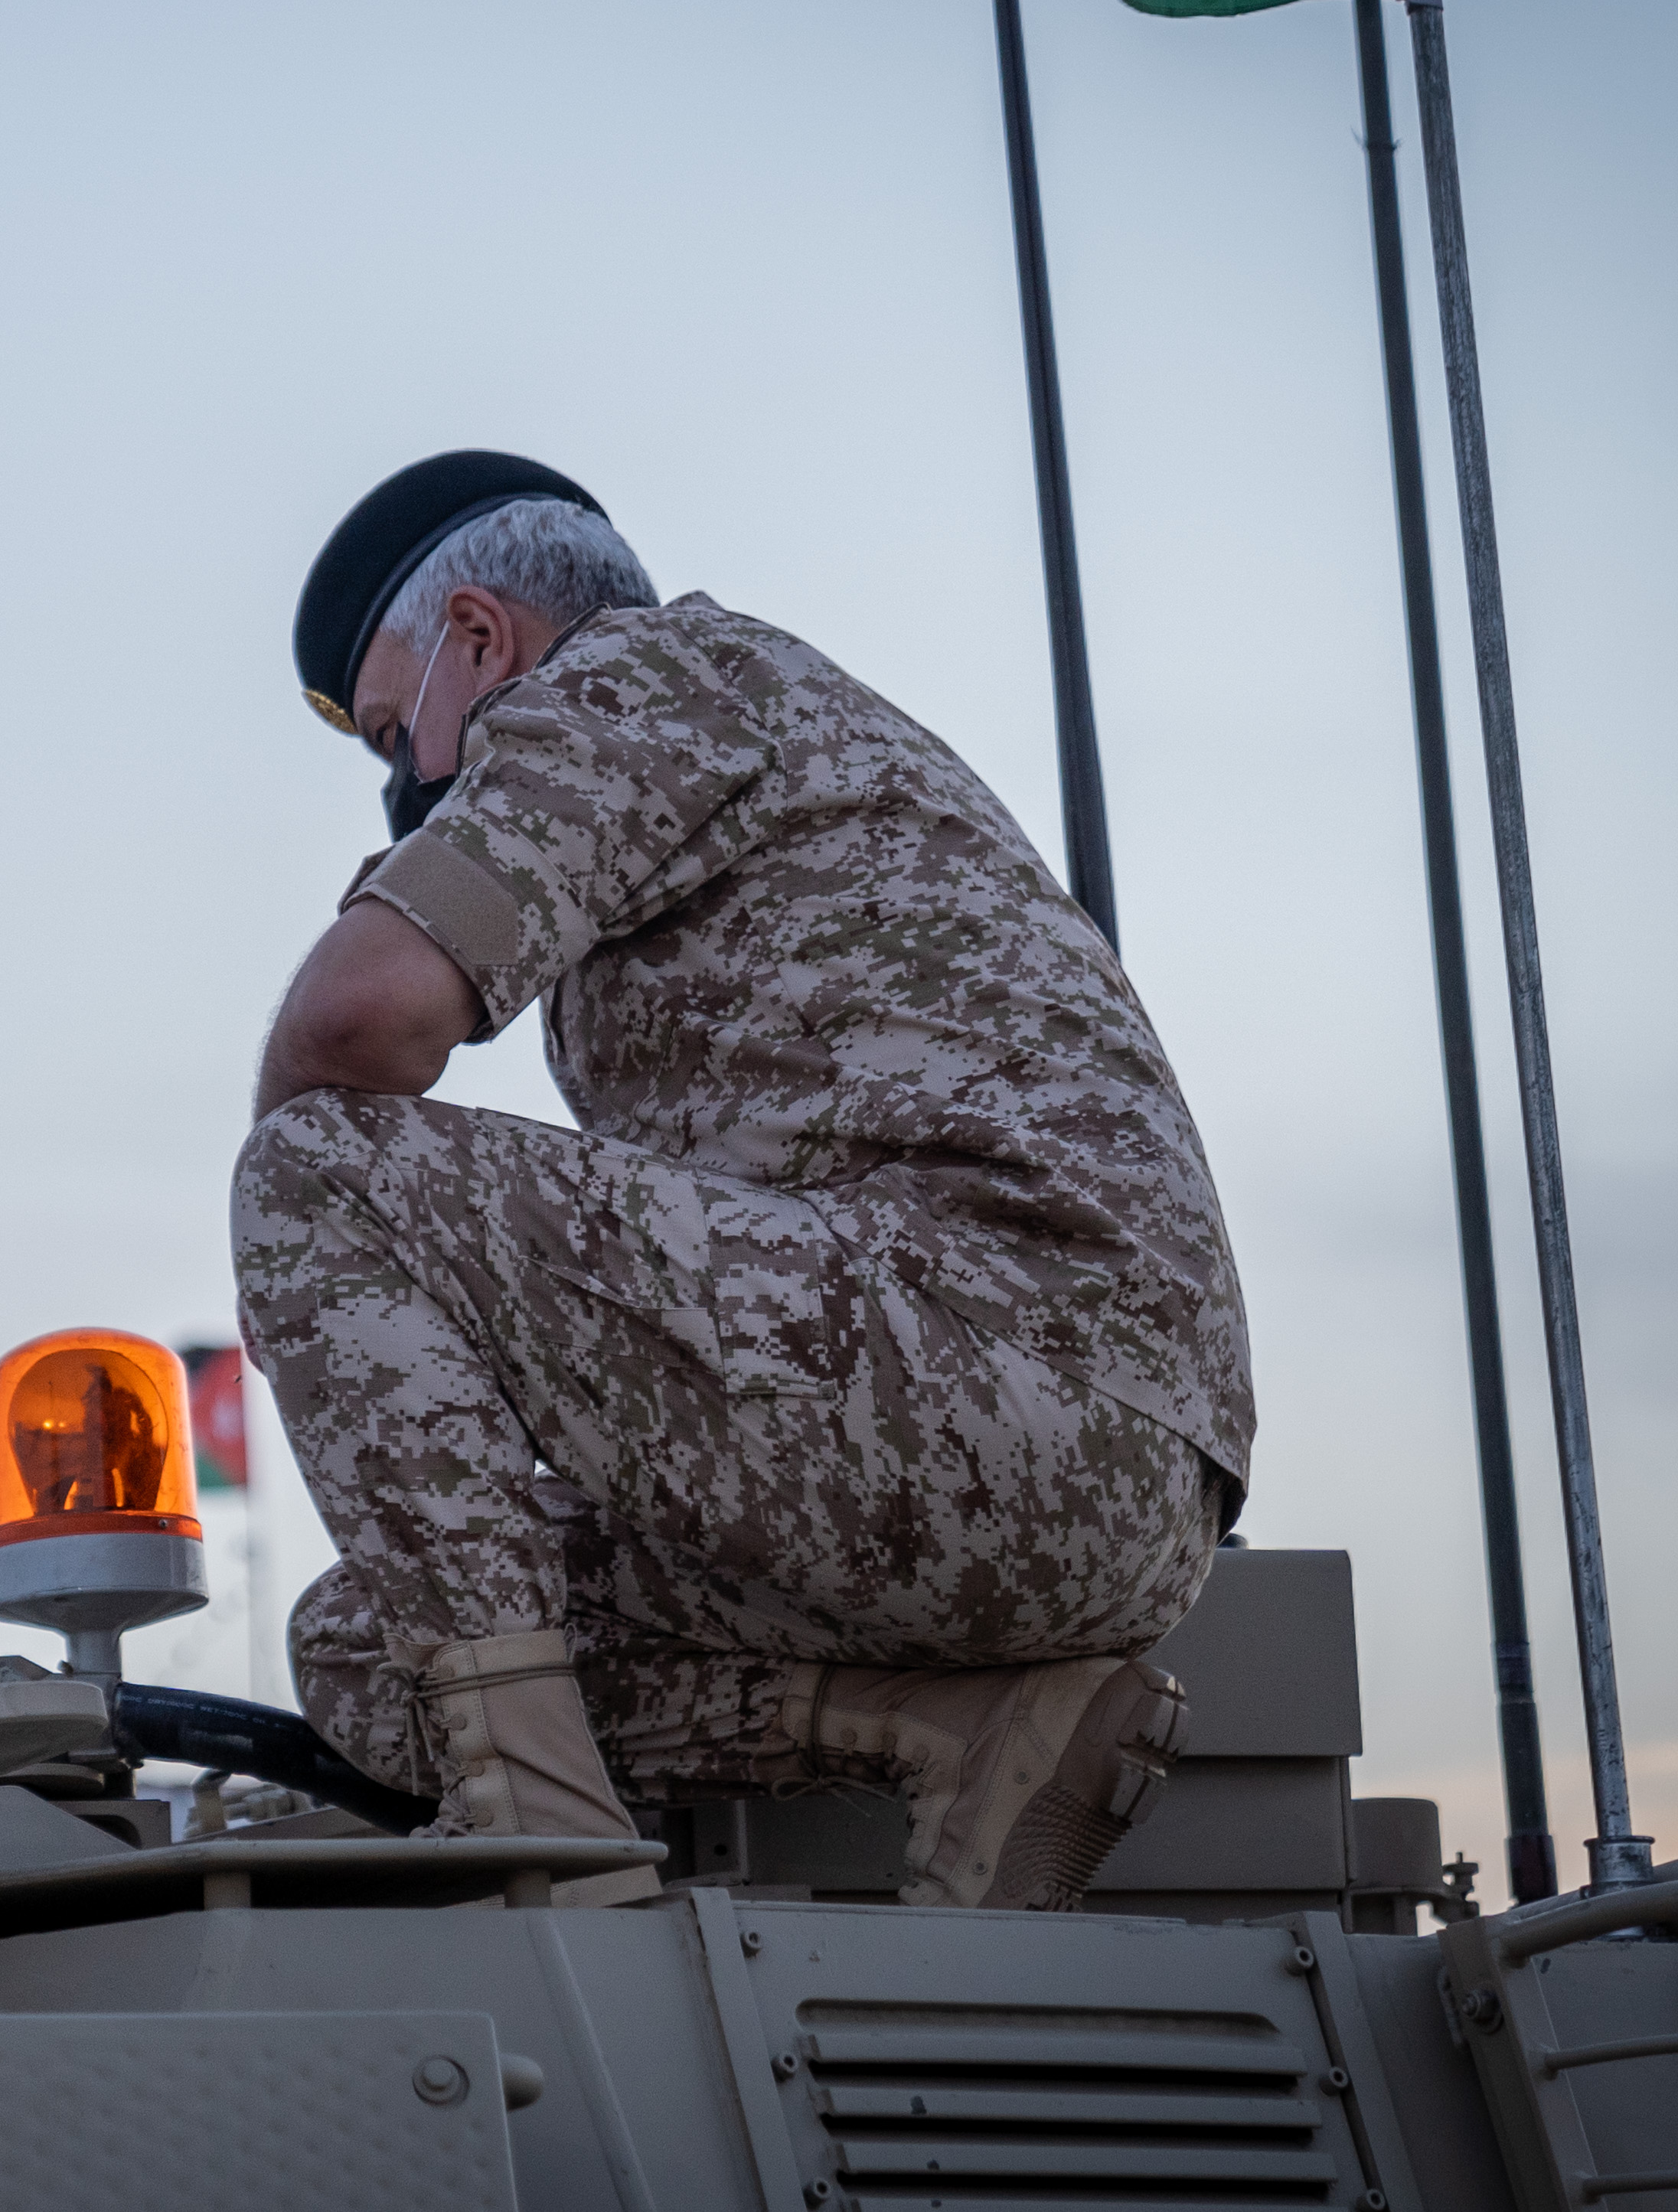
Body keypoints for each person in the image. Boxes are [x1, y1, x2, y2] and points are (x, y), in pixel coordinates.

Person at [237, 451, 1245, 1910]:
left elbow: (356, 1025)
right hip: (1043, 1463)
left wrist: (294, 1281)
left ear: (478, 639)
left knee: (318, 1162)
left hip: (1002, 1378)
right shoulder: (738, 734)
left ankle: (552, 1850)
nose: (410, 786)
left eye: (400, 734)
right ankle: (963, 1734)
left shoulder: (639, 679)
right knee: (365, 1646)